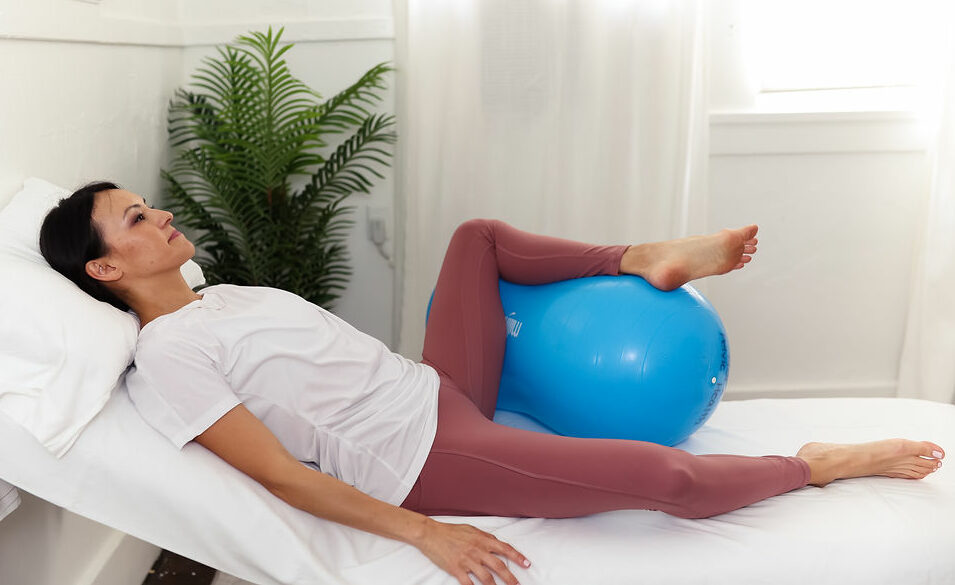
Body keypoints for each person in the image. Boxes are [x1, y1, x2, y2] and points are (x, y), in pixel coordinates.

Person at [40, 182, 944, 585]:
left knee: (476, 235)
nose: (158, 215)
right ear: (107, 269)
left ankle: (645, 257)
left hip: (432, 390)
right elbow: (279, 473)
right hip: (425, 453)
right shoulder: (166, 355)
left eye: (146, 205)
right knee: (662, 479)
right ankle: (813, 465)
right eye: (134, 219)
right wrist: (422, 530)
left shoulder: (219, 295)